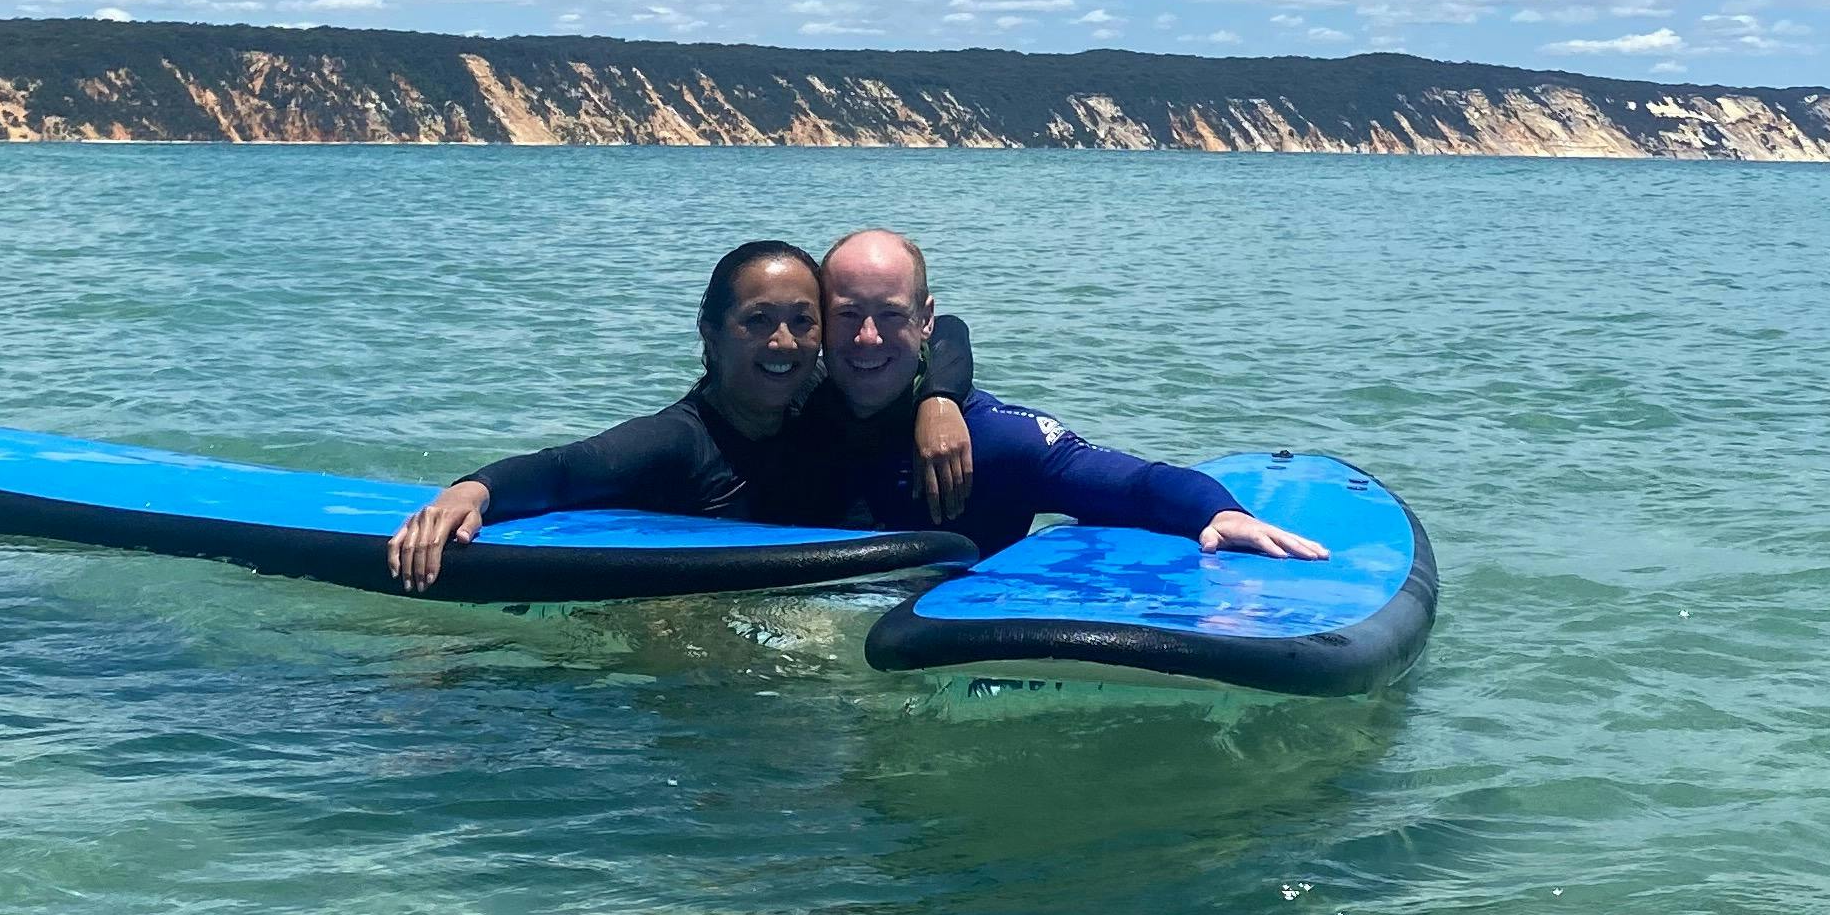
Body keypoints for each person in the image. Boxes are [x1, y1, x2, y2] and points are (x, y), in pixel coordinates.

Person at [383, 237, 970, 590]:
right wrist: (470, 492)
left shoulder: (817, 392)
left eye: (802, 320)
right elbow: (567, 468)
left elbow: (945, 330)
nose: (784, 343)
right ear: (712, 335)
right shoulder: (679, 442)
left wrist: (936, 400)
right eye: (758, 321)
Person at [808, 224, 1327, 561]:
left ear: (926, 319)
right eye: (848, 314)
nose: (867, 337)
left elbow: (1134, 484)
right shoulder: (787, 411)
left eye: (891, 315)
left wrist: (1219, 513)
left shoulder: (995, 438)